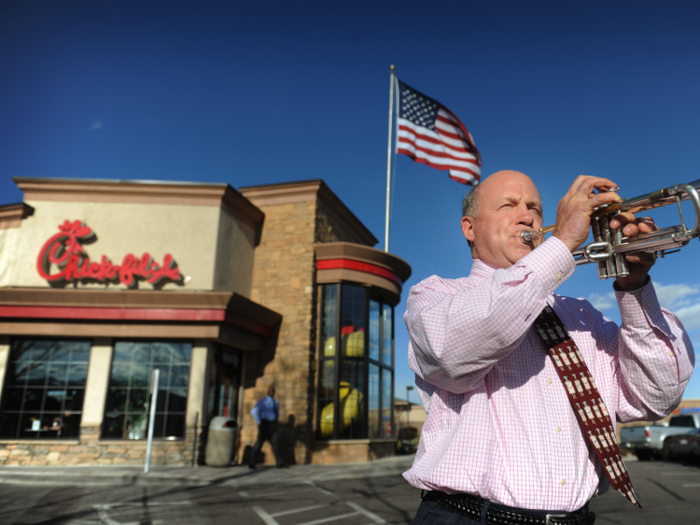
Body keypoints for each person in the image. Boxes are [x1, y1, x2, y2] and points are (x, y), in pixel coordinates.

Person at [404, 171, 694, 524]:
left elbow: (655, 398)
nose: (527, 216)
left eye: (535, 208)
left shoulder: (581, 313)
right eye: (509, 205)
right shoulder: (437, 296)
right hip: (470, 517)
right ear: (469, 228)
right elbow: (454, 353)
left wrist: (634, 286)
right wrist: (562, 243)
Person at [249, 385, 285, 469]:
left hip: (273, 425)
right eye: (270, 390)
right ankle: (252, 461)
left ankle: (279, 462)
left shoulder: (275, 402)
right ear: (267, 391)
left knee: (276, 444)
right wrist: (259, 421)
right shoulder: (263, 401)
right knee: (259, 444)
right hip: (265, 425)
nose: (271, 392)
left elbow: (277, 414)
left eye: (273, 391)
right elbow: (254, 411)